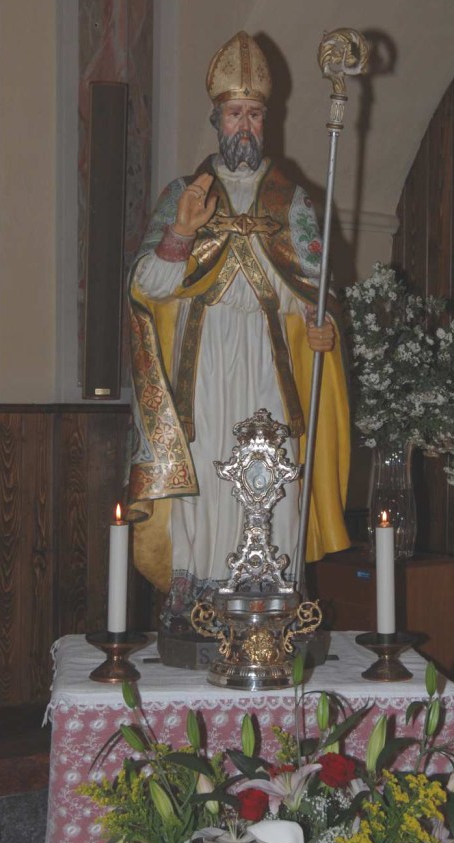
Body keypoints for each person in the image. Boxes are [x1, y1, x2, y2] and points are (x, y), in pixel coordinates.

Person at [127, 31, 350, 627]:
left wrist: (321, 327)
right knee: (205, 472)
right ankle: (199, 599)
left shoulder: (294, 202)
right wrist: (180, 235)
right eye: (234, 113)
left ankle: (267, 599)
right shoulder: (185, 194)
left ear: (266, 120)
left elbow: (314, 294)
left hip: (267, 365)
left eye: (254, 113)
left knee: (270, 474)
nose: (245, 125)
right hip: (200, 369)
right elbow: (146, 286)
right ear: (216, 120)